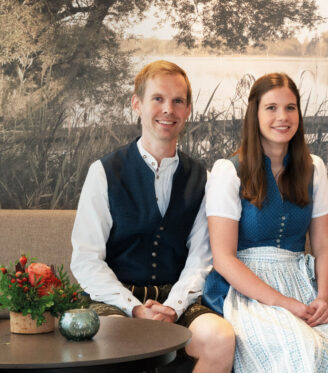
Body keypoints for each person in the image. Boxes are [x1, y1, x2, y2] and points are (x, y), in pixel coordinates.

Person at [71, 60, 235, 373]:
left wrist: (172, 308)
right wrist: (133, 308)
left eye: (178, 101)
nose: (168, 110)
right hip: (115, 301)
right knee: (116, 337)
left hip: (177, 298)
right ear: (137, 104)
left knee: (220, 338)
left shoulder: (204, 177)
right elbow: (86, 259)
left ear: (187, 110)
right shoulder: (104, 172)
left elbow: (202, 259)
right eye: (158, 99)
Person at [201, 72, 328, 372]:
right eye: (271, 108)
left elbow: (323, 246)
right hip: (246, 289)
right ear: (254, 115)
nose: (282, 117)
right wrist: (284, 303)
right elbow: (223, 259)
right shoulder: (228, 171)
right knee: (296, 344)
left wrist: (323, 297)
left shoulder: (314, 169)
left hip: (302, 283)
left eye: (290, 107)